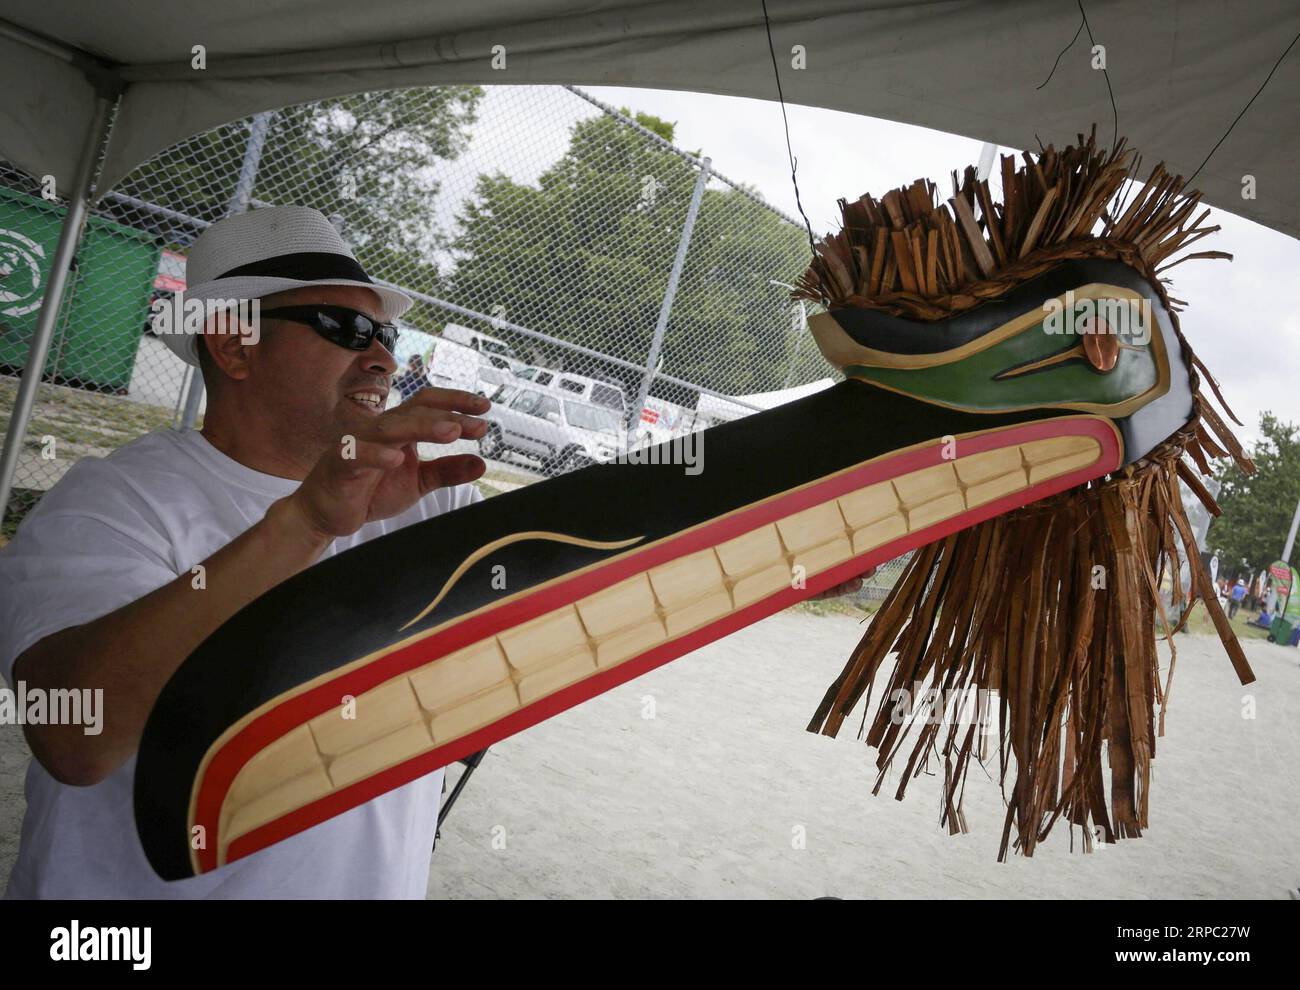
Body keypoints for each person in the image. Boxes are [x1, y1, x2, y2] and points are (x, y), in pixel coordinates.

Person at [0, 205, 868, 899]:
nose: (382, 354)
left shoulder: (422, 495)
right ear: (232, 342)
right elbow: (72, 735)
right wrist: (304, 523)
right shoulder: (115, 501)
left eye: (388, 336)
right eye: (345, 326)